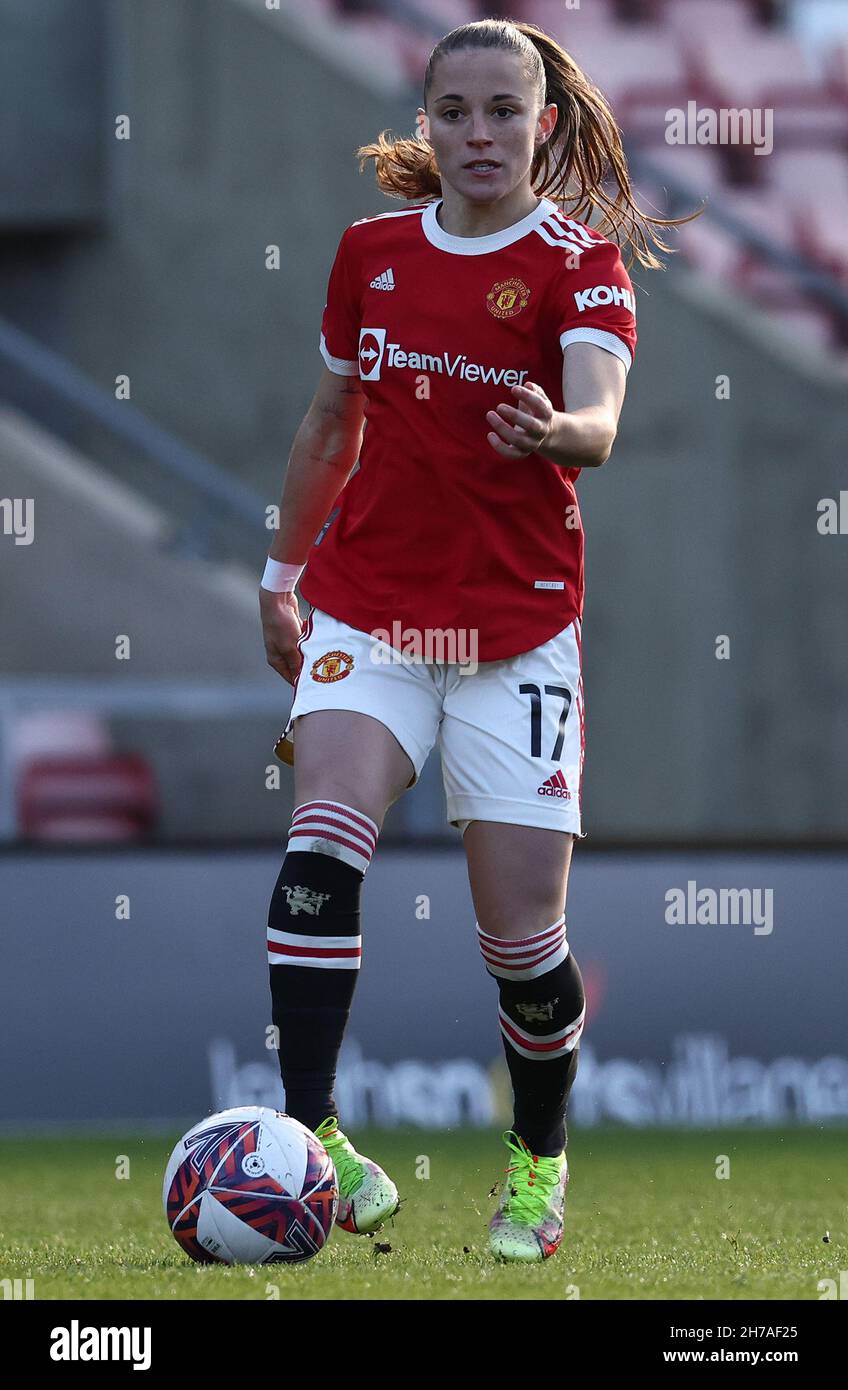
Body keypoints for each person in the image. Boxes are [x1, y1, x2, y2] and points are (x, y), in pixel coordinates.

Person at [259, 17, 680, 1262]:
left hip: (513, 633)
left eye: (506, 110)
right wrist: (281, 572)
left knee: (520, 943)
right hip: (369, 606)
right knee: (324, 830)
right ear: (426, 122)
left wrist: (555, 430)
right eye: (456, 111)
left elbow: (598, 421)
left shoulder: (578, 263)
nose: (480, 133)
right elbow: (331, 415)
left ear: (542, 126)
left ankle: (537, 1165)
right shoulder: (370, 251)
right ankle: (313, 1143)